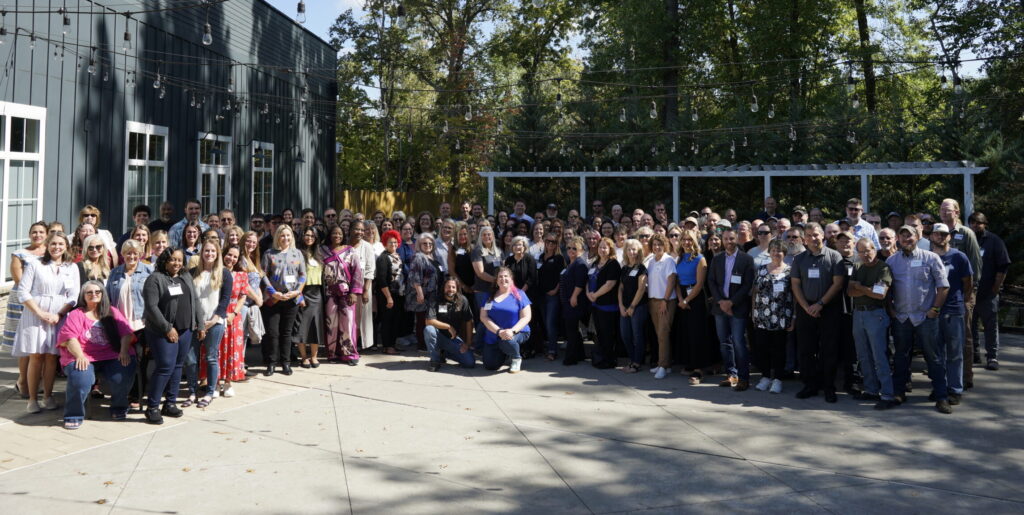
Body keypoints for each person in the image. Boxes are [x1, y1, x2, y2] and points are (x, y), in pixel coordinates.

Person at [13, 231, 80, 413]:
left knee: (52, 357)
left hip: (59, 315)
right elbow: (23, 292)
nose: (56, 247)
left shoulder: (71, 267)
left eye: (60, 244)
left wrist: (59, 314)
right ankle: (33, 399)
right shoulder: (35, 265)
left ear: (66, 246)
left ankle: (48, 396)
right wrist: (40, 313)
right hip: (35, 314)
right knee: (36, 356)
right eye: (53, 244)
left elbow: (74, 296)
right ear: (47, 246)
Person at [56, 281, 137, 429]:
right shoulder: (77, 314)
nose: (94, 295)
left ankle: (119, 406)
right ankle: (73, 414)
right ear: (84, 296)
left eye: (97, 292)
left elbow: (126, 333)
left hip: (112, 354)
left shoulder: (111, 311)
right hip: (83, 355)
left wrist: (123, 351)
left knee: (123, 373)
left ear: (102, 294)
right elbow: (68, 337)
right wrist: (80, 356)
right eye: (89, 292)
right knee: (81, 378)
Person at [888, 225, 950, 413]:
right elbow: (886, 288)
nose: (906, 239)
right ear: (898, 238)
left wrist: (935, 309)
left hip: (925, 317)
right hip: (902, 317)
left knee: (934, 357)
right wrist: (891, 310)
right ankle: (899, 392)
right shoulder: (892, 261)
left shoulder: (931, 258)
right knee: (901, 356)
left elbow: (943, 286)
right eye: (903, 235)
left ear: (918, 237)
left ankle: (941, 396)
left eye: (910, 235)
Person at [142, 248, 204, 424]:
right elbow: (152, 307)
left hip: (186, 330)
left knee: (177, 366)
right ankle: (152, 407)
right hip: (162, 332)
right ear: (164, 261)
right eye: (172, 260)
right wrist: (167, 328)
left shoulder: (185, 277)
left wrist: (199, 324)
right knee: (165, 367)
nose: (176, 263)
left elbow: (196, 301)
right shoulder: (155, 279)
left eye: (179, 260)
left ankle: (169, 403)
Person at [791, 222, 846, 403]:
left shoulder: (835, 256)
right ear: (804, 239)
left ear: (822, 235)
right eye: (808, 236)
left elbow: (837, 283)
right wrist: (806, 306)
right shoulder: (799, 259)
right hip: (805, 308)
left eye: (815, 235)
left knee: (828, 349)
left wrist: (820, 304)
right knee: (806, 349)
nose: (812, 238)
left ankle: (828, 386)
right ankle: (810, 385)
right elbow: (795, 284)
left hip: (828, 309)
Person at [848, 238, 896, 409]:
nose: (865, 254)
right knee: (863, 355)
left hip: (876, 315)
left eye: (868, 250)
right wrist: (867, 289)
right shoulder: (857, 266)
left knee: (879, 356)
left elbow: (880, 294)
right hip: (859, 315)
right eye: (861, 251)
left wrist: (860, 287)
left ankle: (888, 394)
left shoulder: (883, 268)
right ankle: (871, 389)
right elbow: (849, 291)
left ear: (874, 249)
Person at [184, 240, 233, 408]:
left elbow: (225, 299)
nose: (209, 254)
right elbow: (188, 300)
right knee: (190, 359)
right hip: (195, 322)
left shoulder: (224, 273)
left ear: (217, 253)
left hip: (215, 322)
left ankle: (210, 392)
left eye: (213, 251)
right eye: (206, 250)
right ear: (201, 252)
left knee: (212, 357)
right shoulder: (191, 273)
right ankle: (191, 391)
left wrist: (214, 319)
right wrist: (198, 323)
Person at [938, 199, 983, 381]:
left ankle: (965, 377)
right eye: (941, 209)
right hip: (940, 295)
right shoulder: (937, 232)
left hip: (963, 293)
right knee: (942, 336)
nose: (944, 212)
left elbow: (975, 266)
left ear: (957, 212)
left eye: (948, 210)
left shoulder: (966, 233)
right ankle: (946, 376)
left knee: (963, 335)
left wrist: (968, 295)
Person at [2, 222, 48, 400]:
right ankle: (22, 381)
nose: (37, 235)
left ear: (46, 234)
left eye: (41, 232)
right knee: (26, 343)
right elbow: (19, 281)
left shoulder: (51, 252)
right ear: (29, 235)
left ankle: (39, 380)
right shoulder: (19, 254)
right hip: (23, 301)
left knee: (42, 343)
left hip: (44, 301)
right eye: (34, 232)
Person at [930, 223, 973, 406]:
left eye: (944, 234)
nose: (940, 237)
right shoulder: (928, 257)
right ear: (931, 236)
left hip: (954, 311)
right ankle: (940, 387)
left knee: (955, 353)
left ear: (949, 236)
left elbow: (968, 282)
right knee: (936, 354)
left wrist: (964, 301)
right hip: (932, 311)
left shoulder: (959, 257)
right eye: (937, 234)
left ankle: (955, 389)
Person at [106, 239, 153, 405]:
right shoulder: (115, 273)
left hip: (141, 323)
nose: (131, 256)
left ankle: (136, 394)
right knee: (122, 360)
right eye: (128, 253)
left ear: (140, 254)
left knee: (140, 361)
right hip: (120, 324)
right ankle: (121, 392)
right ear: (123, 255)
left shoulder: (149, 271)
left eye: (135, 253)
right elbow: (108, 298)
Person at [707, 229, 755, 391]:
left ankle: (743, 378)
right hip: (720, 308)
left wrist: (731, 303)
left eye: (732, 238)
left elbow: (748, 285)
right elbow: (711, 281)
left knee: (739, 343)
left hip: (738, 308)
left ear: (737, 239)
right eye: (726, 239)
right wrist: (721, 302)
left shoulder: (746, 259)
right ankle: (731, 374)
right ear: (722, 240)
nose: (729, 241)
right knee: (724, 342)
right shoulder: (717, 259)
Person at [212, 244, 260, 397]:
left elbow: (243, 296)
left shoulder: (241, 275)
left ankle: (227, 382)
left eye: (235, 256)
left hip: (234, 314)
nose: (231, 259)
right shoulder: (215, 272)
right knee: (216, 349)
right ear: (223, 254)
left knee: (232, 349)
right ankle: (214, 383)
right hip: (216, 313)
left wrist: (233, 313)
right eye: (229, 255)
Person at [260, 226, 306, 376]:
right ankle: (271, 363)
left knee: (286, 333)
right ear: (277, 237)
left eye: (288, 235)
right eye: (282, 235)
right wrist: (273, 293)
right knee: (273, 333)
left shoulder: (297, 253)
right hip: (273, 300)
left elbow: (303, 275)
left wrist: (297, 291)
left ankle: (286, 362)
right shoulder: (269, 253)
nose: (285, 238)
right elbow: (263, 275)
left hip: (291, 298)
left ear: (291, 237)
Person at [750, 240, 794, 394]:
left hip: (781, 316)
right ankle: (765, 376)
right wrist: (753, 311)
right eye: (774, 250)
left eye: (780, 251)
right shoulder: (761, 269)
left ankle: (778, 379)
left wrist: (793, 317)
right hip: (762, 315)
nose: (776, 253)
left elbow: (794, 295)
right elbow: (755, 291)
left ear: (785, 254)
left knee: (779, 349)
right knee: (762, 348)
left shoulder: (790, 271)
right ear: (769, 252)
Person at [969, 212, 1010, 373]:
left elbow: (1003, 265)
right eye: (972, 223)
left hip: (988, 293)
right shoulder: (969, 240)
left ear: (985, 223)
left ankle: (992, 356)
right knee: (970, 326)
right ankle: (974, 354)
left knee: (990, 326)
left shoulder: (994, 241)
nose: (975, 225)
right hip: (970, 292)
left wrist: (996, 287)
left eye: (978, 223)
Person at [675, 229, 713, 384]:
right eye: (683, 239)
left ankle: (699, 369)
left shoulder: (700, 259)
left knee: (697, 333)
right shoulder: (680, 258)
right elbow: (676, 282)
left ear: (694, 241)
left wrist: (687, 300)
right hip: (682, 296)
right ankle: (690, 363)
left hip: (695, 298)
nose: (686, 242)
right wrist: (680, 299)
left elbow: (699, 284)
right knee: (686, 332)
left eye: (689, 239)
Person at [322, 225, 364, 364]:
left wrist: (354, 292)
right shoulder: (322, 251)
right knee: (331, 324)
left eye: (340, 233)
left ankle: (349, 354)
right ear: (330, 234)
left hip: (347, 293)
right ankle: (332, 354)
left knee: (348, 323)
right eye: (334, 233)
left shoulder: (350, 251)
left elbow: (357, 272)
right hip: (329, 293)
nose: (337, 236)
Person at [480, 267, 531, 372]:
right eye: (500, 277)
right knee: (490, 366)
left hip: (516, 332)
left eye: (506, 276)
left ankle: (516, 358)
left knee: (506, 341)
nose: (503, 279)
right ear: (496, 280)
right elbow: (483, 317)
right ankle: (506, 353)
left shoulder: (520, 294)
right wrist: (499, 331)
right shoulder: (489, 296)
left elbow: (526, 317)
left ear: (511, 279)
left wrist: (512, 331)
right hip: (494, 335)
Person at [424, 278, 477, 371]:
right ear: (443, 287)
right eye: (448, 286)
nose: (450, 289)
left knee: (470, 363)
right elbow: (428, 321)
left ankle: (444, 353)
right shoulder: (435, 299)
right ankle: (435, 360)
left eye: (453, 287)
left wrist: (468, 343)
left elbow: (469, 321)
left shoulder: (463, 300)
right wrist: (448, 326)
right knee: (429, 330)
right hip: (437, 335)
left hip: (452, 339)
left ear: (457, 289)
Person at [586, 237, 621, 369]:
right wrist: (588, 293)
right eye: (600, 247)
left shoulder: (613, 264)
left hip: (608, 306)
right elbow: (588, 280)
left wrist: (595, 295)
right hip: (595, 304)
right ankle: (601, 358)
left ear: (610, 249)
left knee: (608, 333)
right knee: (599, 333)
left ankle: (610, 360)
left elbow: (610, 284)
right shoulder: (595, 263)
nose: (602, 249)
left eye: (605, 247)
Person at [646, 233, 677, 379]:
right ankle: (665, 364)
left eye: (659, 244)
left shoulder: (668, 260)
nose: (657, 247)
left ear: (665, 245)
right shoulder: (651, 261)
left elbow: (671, 281)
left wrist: (665, 300)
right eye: (654, 244)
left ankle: (663, 366)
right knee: (659, 334)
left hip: (666, 301)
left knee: (663, 334)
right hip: (653, 301)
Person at [294, 227, 325, 368]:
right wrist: (299, 295)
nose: (309, 237)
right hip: (303, 292)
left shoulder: (319, 254)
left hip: (317, 293)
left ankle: (314, 356)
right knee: (302, 326)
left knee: (315, 326)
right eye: (307, 234)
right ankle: (304, 357)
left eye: (312, 235)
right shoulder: (298, 253)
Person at [406, 233, 443, 349]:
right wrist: (420, 293)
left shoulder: (434, 258)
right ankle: (422, 345)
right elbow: (414, 276)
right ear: (419, 245)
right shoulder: (418, 257)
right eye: (424, 243)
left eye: (430, 243)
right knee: (423, 320)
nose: (428, 245)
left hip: (435, 295)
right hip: (424, 295)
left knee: (431, 319)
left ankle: (430, 343)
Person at [618, 239, 648, 373]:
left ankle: (636, 363)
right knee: (625, 335)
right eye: (629, 249)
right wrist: (621, 306)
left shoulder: (642, 268)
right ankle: (631, 360)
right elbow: (620, 288)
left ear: (639, 251)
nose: (631, 252)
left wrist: (632, 306)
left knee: (637, 335)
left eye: (634, 249)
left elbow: (641, 289)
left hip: (638, 307)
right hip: (624, 307)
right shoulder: (624, 268)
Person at [559, 237, 590, 365]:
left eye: (574, 248)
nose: (571, 250)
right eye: (569, 248)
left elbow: (580, 283)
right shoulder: (570, 263)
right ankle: (580, 354)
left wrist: (574, 296)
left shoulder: (580, 263)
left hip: (574, 301)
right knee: (573, 330)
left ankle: (570, 358)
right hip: (567, 301)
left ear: (581, 250)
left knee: (571, 330)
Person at [537, 232, 567, 361]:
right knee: (545, 322)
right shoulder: (540, 257)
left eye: (553, 242)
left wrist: (555, 290)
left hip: (552, 296)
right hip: (541, 295)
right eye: (548, 241)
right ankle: (549, 346)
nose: (550, 244)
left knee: (550, 323)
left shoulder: (559, 258)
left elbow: (562, 276)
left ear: (556, 244)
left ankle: (552, 350)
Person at [375, 230, 404, 354]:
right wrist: (388, 297)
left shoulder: (397, 256)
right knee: (387, 320)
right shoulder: (383, 257)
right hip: (388, 294)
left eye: (395, 242)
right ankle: (387, 346)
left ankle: (392, 343)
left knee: (396, 320)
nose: (393, 244)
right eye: (390, 242)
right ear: (385, 244)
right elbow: (381, 279)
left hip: (399, 294)